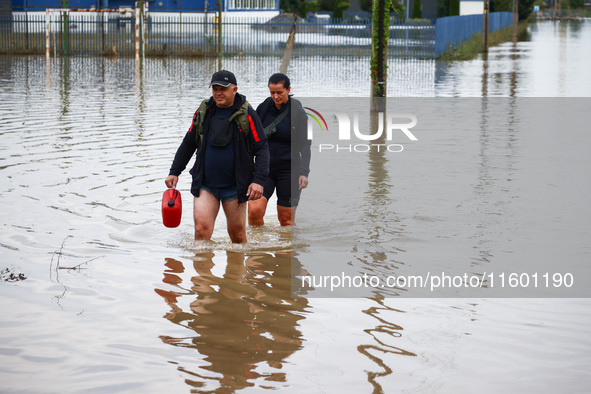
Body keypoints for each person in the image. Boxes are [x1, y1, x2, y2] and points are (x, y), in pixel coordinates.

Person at [165, 70, 269, 243]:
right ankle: (203, 270)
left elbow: (262, 148)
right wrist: (174, 171)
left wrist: (259, 180)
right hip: (206, 184)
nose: (218, 92)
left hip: (235, 187)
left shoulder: (248, 114)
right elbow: (189, 142)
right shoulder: (204, 111)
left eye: (223, 88)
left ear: (234, 89)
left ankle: (236, 270)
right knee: (200, 231)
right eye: (215, 88)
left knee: (237, 235)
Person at [248, 73, 311, 226]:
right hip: (265, 170)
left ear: (288, 89)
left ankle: (287, 249)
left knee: (286, 220)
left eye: (279, 92)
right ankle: (258, 248)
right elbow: (251, 137)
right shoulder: (263, 108)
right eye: (272, 92)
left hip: (290, 171)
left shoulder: (299, 113)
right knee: (254, 212)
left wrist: (304, 173)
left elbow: (306, 145)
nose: (275, 96)